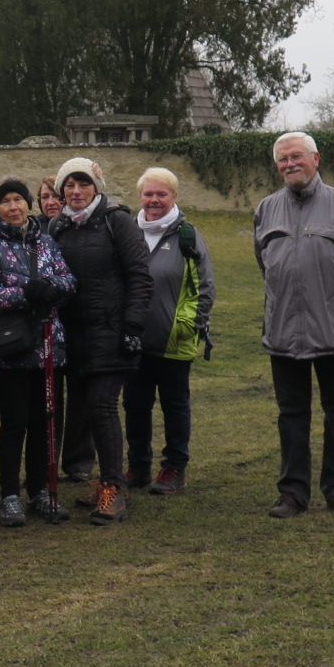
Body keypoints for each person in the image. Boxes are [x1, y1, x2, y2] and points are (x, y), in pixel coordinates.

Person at [255, 132, 334, 519]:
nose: (290, 164)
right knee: (291, 414)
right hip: (282, 331)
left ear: (316, 159)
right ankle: (293, 493)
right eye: (282, 160)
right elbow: (266, 265)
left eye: (297, 157)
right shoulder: (265, 209)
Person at [49, 157, 152, 526]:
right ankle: (103, 479)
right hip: (73, 336)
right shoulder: (57, 226)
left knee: (103, 406)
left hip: (111, 333)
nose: (76, 192)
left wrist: (132, 327)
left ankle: (114, 488)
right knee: (88, 410)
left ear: (96, 187)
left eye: (84, 184)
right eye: (70, 186)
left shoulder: (117, 221)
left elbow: (140, 275)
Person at [0, 179, 76, 526]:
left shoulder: (45, 242)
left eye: (19, 200)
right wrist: (26, 293)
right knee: (14, 422)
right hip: (12, 349)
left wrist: (49, 289)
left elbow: (68, 282)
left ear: (28, 204)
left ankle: (41, 491)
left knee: (45, 421)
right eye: (6, 201)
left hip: (49, 346)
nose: (14, 206)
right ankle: (9, 495)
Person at [124, 168, 215, 497]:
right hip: (133, 339)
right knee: (135, 405)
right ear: (140, 197)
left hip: (173, 339)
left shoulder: (187, 236)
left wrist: (189, 324)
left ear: (174, 197)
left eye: (161, 194)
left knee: (175, 405)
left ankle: (175, 467)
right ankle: (138, 467)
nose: (154, 200)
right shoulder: (128, 232)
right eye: (148, 194)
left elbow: (205, 287)